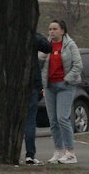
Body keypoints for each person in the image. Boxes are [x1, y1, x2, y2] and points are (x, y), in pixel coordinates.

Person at [43, 19, 83, 165]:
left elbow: (78, 65)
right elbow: (41, 64)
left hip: (65, 85)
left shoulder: (70, 45)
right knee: (53, 120)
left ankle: (70, 152)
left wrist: (67, 79)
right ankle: (58, 150)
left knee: (62, 118)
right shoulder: (46, 45)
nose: (51, 32)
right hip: (49, 85)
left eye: (54, 29)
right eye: (50, 29)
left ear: (62, 31)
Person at [23, 30, 50, 165]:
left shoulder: (7, 35)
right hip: (31, 84)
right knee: (30, 121)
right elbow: (46, 46)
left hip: (12, 85)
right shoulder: (31, 37)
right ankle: (30, 154)